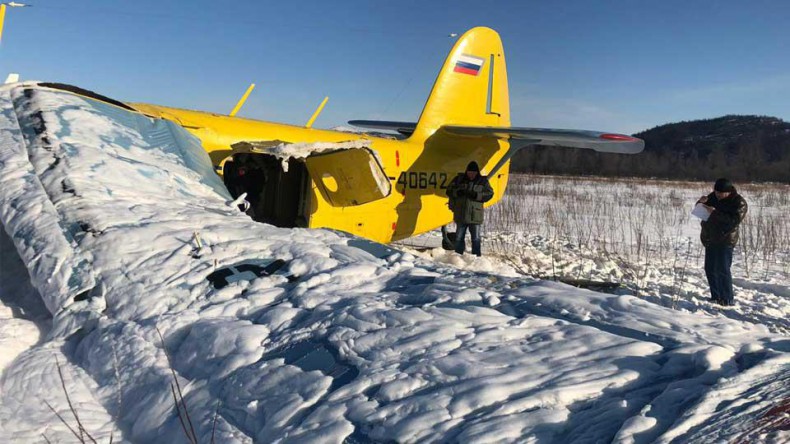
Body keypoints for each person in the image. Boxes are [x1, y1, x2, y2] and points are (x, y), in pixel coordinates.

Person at [696, 178, 748, 306]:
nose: (717, 195)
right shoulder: (713, 196)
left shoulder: (739, 202)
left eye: (721, 193)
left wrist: (714, 213)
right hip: (710, 238)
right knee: (710, 268)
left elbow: (733, 221)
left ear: (729, 192)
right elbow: (700, 211)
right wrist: (699, 202)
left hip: (725, 240)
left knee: (723, 269)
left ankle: (727, 299)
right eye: (716, 192)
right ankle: (716, 296)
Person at [446, 161, 494, 256]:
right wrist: (457, 192)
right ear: (466, 172)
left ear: (477, 173)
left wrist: (477, 195)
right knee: (459, 238)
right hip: (461, 214)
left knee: (475, 238)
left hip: (475, 216)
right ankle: (458, 257)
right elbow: (448, 191)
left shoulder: (482, 181)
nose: (471, 174)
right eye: (469, 172)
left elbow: (489, 194)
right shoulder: (459, 179)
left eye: (474, 173)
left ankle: (476, 258)